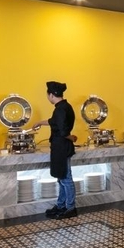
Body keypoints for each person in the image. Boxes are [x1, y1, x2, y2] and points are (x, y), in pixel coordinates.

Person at [36, 81, 78, 219]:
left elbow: (63, 130)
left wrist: (71, 137)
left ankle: (70, 208)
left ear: (51, 95)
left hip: (61, 147)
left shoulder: (60, 109)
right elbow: (53, 121)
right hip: (61, 147)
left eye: (47, 95)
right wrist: (39, 123)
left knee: (66, 179)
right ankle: (61, 205)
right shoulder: (64, 107)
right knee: (61, 178)